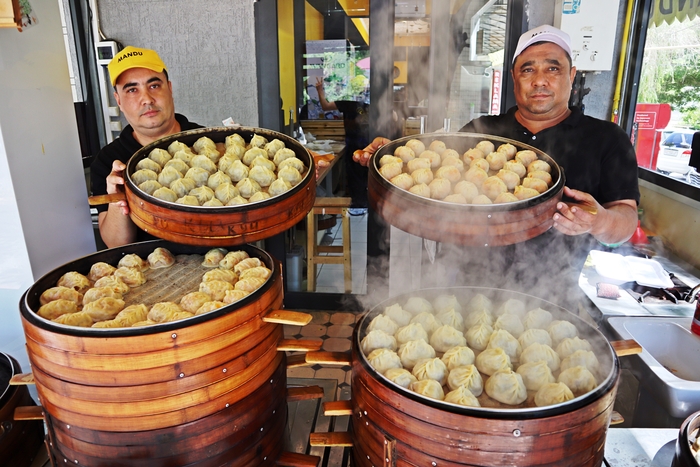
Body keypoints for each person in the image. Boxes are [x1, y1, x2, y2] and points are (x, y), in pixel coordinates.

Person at [354, 25, 640, 302]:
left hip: (550, 297)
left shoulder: (606, 139)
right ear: (514, 78)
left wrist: (599, 220)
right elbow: (429, 175)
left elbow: (625, 220)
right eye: (528, 69)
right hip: (460, 285)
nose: (539, 80)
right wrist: (390, 160)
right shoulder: (480, 130)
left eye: (553, 68)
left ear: (572, 75)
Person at [90, 46, 203, 248]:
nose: (147, 99)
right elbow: (116, 244)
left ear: (170, 89)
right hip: (149, 273)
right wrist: (118, 198)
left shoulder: (207, 143)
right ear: (119, 101)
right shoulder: (109, 161)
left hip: (223, 266)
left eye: (154, 86)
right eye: (132, 90)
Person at [315, 77, 370, 216]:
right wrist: (320, 90)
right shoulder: (347, 101)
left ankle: (366, 204)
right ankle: (359, 204)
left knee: (367, 175)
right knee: (355, 175)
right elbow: (326, 106)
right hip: (352, 143)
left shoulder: (369, 101)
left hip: (369, 142)